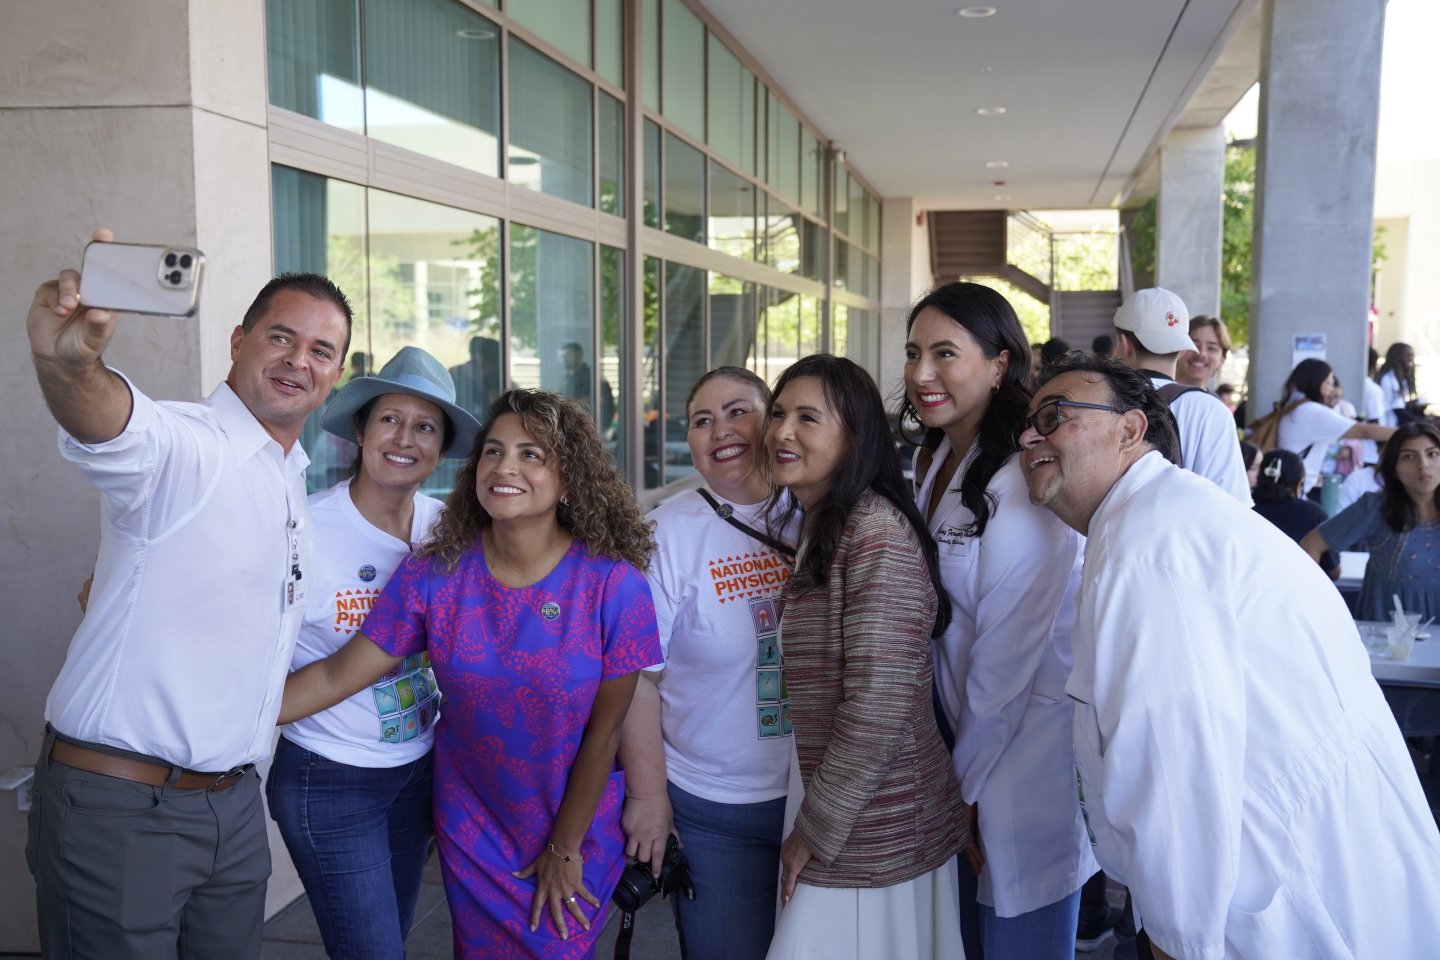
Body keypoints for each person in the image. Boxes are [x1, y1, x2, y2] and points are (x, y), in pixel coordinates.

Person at [1016, 353, 1440, 960]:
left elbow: (1173, 777)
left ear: (1130, 430)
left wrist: (1175, 940)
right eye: (1026, 424)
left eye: (1054, 416)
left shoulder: (1149, 548)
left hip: (1288, 889)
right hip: (1332, 867)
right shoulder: (1158, 520)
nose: (1029, 437)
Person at [24, 229, 351, 959]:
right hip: (122, 807)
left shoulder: (289, 478)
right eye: (281, 337)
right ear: (239, 340)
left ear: (335, 373)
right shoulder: (191, 445)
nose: (298, 360)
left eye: (321, 350)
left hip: (232, 807)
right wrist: (68, 363)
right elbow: (112, 424)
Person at [279, 389, 662, 959]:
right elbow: (338, 675)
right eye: (493, 451)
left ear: (569, 477)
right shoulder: (435, 572)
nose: (505, 467)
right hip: (472, 824)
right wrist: (223, 719)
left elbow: (605, 733)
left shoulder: (613, 585)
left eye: (532, 454)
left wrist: (565, 846)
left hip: (573, 820)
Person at [901, 282, 1096, 959]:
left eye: (945, 353)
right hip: (955, 748)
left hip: (1015, 761)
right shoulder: (935, 459)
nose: (922, 373)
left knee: (1019, 939)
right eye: (913, 353)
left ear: (999, 364)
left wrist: (965, 788)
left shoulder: (1022, 477)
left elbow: (1005, 664)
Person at [266, 346, 481, 960]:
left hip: (417, 771)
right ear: (360, 431)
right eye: (390, 419)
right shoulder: (303, 529)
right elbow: (235, 638)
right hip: (330, 774)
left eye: (426, 427)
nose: (405, 439)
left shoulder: (452, 533)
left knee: (391, 938)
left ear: (441, 447)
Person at [763, 355, 967, 960]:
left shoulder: (875, 532)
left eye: (807, 418)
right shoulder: (826, 523)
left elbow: (879, 706)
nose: (781, 432)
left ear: (855, 438)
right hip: (845, 805)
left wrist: (814, 829)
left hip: (876, 827)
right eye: (777, 413)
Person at [619, 366, 797, 960]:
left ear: (774, 421)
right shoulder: (663, 536)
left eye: (738, 410)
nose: (721, 429)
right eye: (702, 419)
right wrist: (649, 798)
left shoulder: (819, 511)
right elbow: (637, 679)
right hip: (712, 809)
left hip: (818, 801)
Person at [1111, 288, 1251, 504]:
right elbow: (1233, 504)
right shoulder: (1212, 411)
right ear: (1182, 350)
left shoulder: (1096, 401)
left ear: (1125, 344)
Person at [1302, 421, 1440, 621]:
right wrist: (1315, 608)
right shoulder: (1376, 508)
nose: (1423, 465)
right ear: (1393, 468)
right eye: (1409, 456)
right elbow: (1311, 545)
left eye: (1433, 454)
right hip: (1385, 635)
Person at [1275, 358, 1393, 496]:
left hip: (1286, 484)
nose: (1331, 388)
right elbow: (1363, 431)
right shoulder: (1311, 411)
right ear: (1316, 382)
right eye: (1329, 382)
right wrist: (1404, 431)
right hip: (1293, 491)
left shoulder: (1294, 404)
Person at [1251, 449, 1338, 578]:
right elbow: (1334, 571)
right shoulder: (1313, 514)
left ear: (1259, 477)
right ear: (1299, 484)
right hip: (1296, 587)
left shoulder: (1244, 508)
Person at [1175, 315, 1230, 390]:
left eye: (1211, 348)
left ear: (1222, 359)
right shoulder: (1159, 394)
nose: (1201, 354)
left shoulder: (1214, 398)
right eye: (1193, 345)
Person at [1377, 341, 1422, 426]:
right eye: (1407, 356)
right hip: (1387, 425)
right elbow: (1397, 409)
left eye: (1412, 356)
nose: (1410, 359)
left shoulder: (1400, 378)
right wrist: (1422, 421)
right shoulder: (1388, 379)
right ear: (1396, 357)